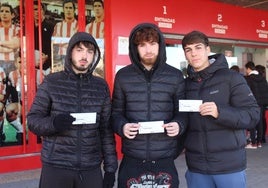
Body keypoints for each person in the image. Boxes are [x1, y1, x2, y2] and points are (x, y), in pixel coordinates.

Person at [27, 32, 118, 188]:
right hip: (56, 165)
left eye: (90, 51)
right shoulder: (51, 82)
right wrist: (54, 123)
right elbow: (33, 120)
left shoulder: (101, 86)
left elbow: (106, 130)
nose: (85, 56)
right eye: (79, 50)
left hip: (90, 167)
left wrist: (110, 170)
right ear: (70, 53)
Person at [111, 23, 187, 187]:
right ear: (135, 48)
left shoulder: (175, 76)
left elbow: (182, 113)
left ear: (160, 45)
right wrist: (122, 127)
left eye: (152, 43)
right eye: (142, 45)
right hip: (132, 157)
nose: (148, 49)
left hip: (165, 157)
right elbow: (115, 113)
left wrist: (179, 125)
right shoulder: (123, 76)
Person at [181, 30, 260, 188]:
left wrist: (220, 112)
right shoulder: (184, 85)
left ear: (208, 50)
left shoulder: (231, 78)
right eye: (188, 50)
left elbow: (252, 115)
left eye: (198, 48)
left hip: (229, 167)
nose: (194, 54)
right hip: (197, 168)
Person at [244, 61, 268, 148]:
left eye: (246, 69)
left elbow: (246, 92)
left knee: (253, 121)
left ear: (248, 68)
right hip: (262, 104)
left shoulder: (248, 79)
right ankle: (259, 142)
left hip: (252, 103)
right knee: (260, 122)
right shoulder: (262, 78)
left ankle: (253, 142)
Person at [52, 0, 78, 72]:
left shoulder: (79, 26)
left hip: (75, 58)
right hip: (61, 59)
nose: (68, 10)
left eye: (70, 8)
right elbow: (55, 45)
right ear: (63, 9)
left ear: (74, 10)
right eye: (66, 8)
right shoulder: (58, 26)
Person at [34, 0, 55, 85]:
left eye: (39, 9)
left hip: (46, 66)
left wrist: (47, 56)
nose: (36, 12)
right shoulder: (27, 26)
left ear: (43, 11)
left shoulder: (51, 26)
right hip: (32, 66)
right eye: (34, 9)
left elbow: (54, 45)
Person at [0, 3, 20, 76]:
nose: (4, 13)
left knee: (13, 86)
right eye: (1, 11)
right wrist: (10, 48)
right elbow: (13, 45)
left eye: (7, 11)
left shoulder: (17, 29)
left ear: (12, 15)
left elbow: (16, 44)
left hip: (14, 63)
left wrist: (1, 43)